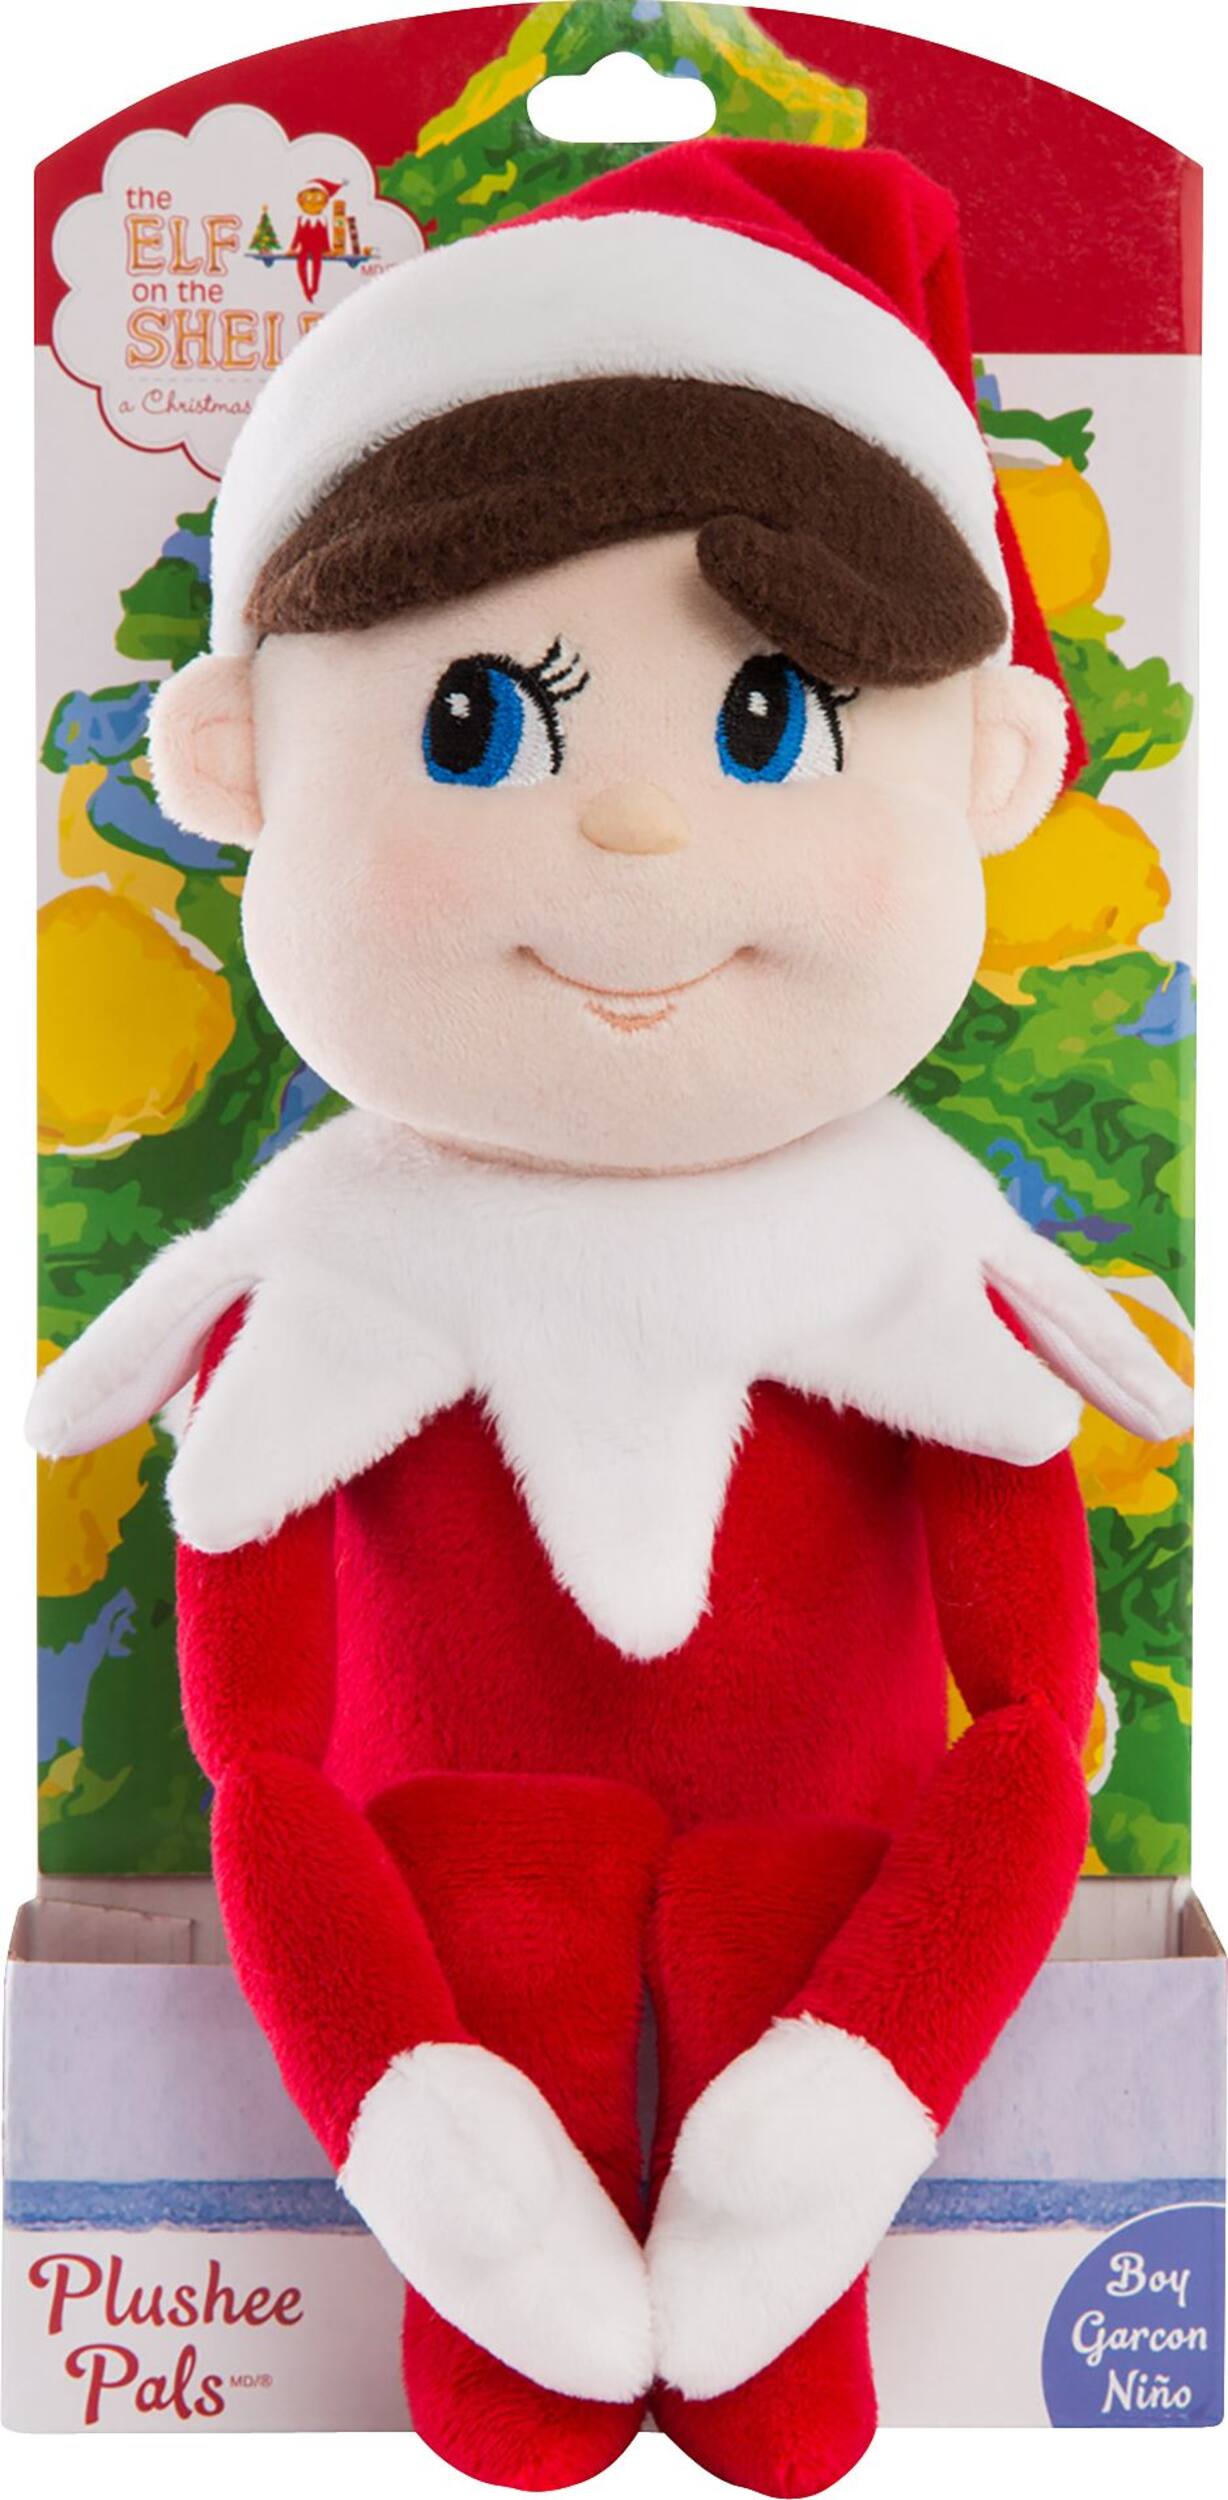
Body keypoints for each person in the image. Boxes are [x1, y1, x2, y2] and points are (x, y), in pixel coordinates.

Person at [30, 138, 1190, 2495]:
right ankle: (517, 2290)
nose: (642, 831)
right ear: (245, 766)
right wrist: (418, 2119)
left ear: (980, 771)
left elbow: (1022, 1728)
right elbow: (261, 1763)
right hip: (448, 1902)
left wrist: (850, 2093)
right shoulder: (330, 1264)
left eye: (766, 720)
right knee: (493, 1938)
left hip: (827, 1895)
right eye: (472, 722)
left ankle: (763, 2283)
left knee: (792, 1961)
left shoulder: (917, 1265)